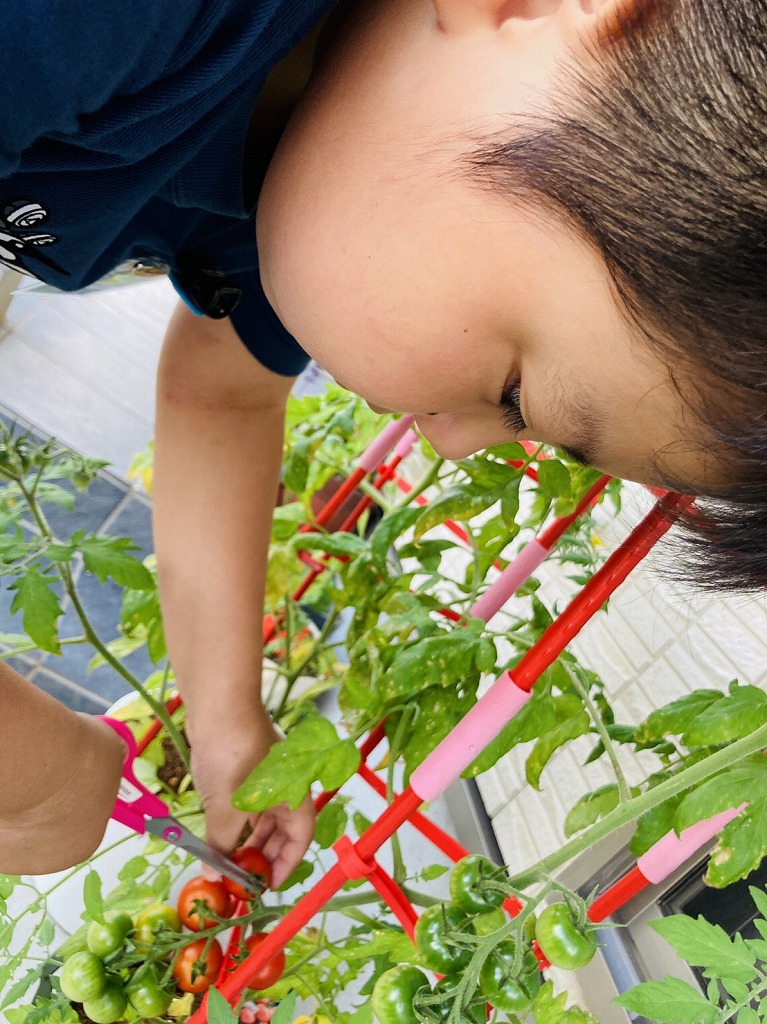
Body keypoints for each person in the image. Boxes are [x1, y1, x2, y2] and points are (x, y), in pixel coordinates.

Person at [1, 0, 764, 882]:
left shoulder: (305, 152)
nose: (448, 448)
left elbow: (226, 394)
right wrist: (33, 778)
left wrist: (224, 720)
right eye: (516, 395)